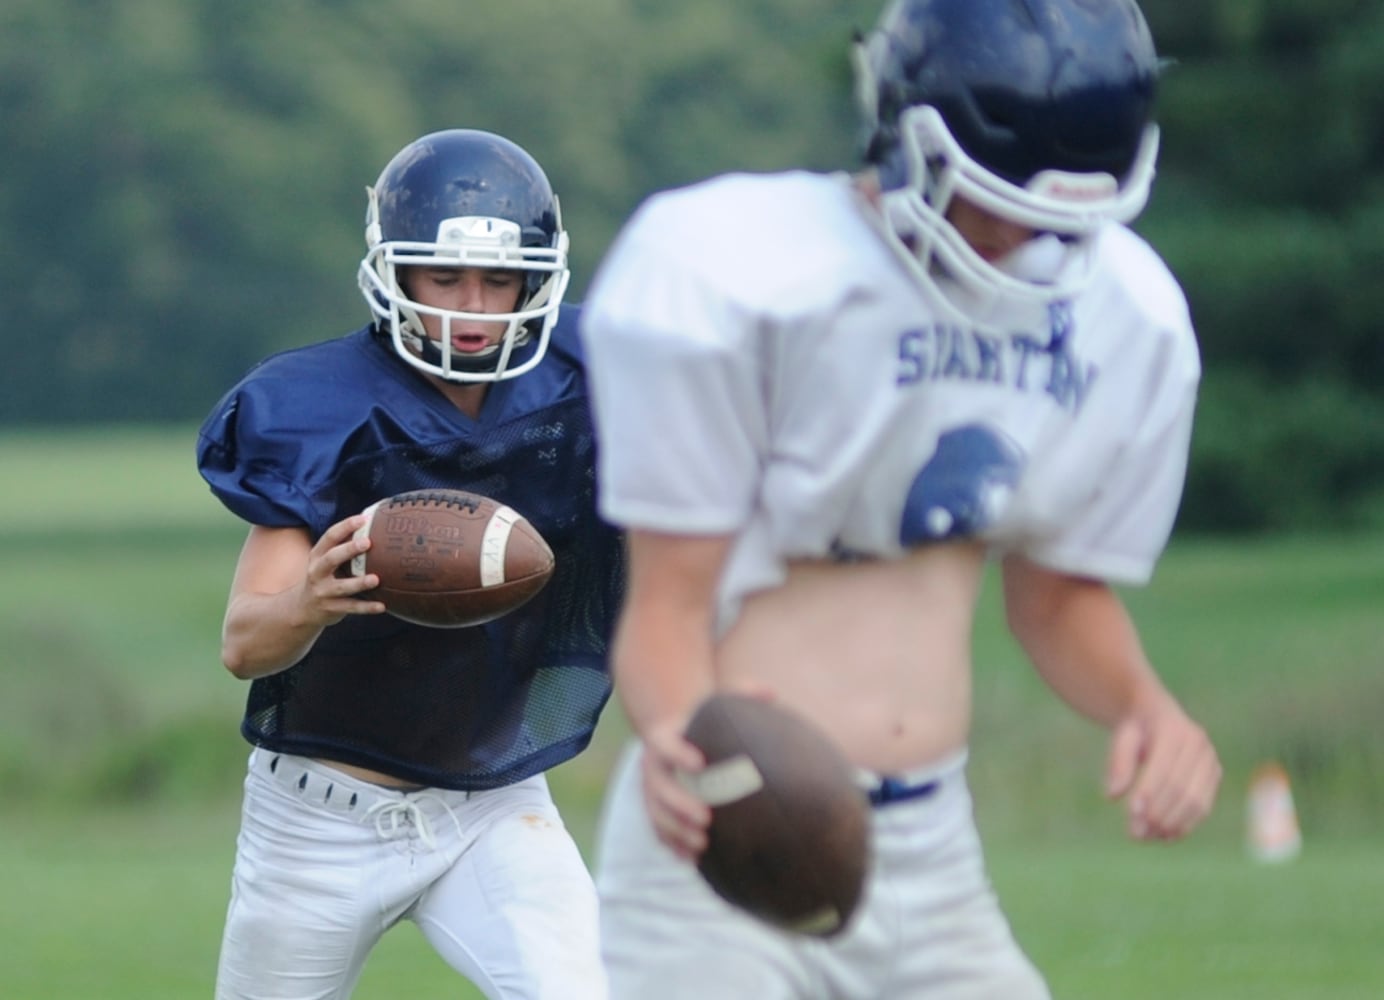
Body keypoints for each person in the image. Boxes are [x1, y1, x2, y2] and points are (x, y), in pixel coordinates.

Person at [578, 0, 1222, 997]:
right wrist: (673, 729)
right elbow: (665, 603)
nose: (1023, 235)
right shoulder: (745, 272)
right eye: (1000, 196)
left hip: (930, 853)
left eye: (1058, 215)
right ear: (907, 134)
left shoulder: (1118, 314)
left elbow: (1053, 596)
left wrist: (1145, 705)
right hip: (728, 831)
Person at [196, 128, 623, 1000]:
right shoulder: (317, 408)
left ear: (538, 278)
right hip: (319, 819)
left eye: (499, 279)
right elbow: (244, 645)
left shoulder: (595, 372)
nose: (472, 307)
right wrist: (310, 602)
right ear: (393, 272)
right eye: (444, 277)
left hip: (492, 803)